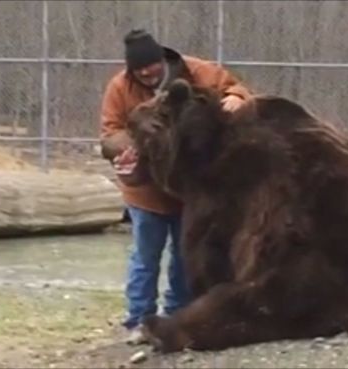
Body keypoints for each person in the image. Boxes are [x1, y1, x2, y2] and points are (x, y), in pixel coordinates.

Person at [99, 29, 252, 344]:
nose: (146, 74)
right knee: (145, 257)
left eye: (150, 66)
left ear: (161, 59)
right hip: (146, 191)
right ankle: (137, 320)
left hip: (190, 191)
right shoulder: (119, 87)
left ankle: (176, 317)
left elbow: (236, 87)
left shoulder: (197, 71)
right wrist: (128, 148)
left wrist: (237, 97)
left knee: (185, 256)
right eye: (138, 70)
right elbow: (110, 133)